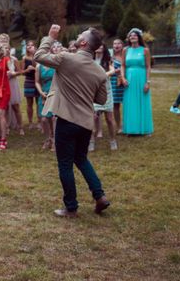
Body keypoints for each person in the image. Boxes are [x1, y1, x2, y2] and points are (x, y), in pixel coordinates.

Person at [34, 24, 110, 218]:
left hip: (67, 121)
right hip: (85, 123)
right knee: (81, 159)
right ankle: (99, 196)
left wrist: (50, 36)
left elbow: (39, 56)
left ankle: (71, 207)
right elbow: (101, 99)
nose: (77, 35)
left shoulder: (66, 59)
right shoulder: (100, 71)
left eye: (80, 35)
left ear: (83, 42)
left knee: (65, 164)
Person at [121, 28, 153, 135]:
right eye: (130, 36)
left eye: (134, 35)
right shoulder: (125, 50)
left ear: (139, 37)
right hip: (129, 80)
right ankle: (131, 129)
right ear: (129, 38)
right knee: (130, 103)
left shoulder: (145, 50)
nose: (132, 37)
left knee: (143, 102)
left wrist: (147, 82)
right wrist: (123, 78)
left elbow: (148, 67)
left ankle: (145, 129)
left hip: (141, 78)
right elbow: (122, 65)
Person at [90, 43, 118, 152]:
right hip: (93, 92)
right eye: (97, 45)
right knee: (92, 118)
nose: (99, 46)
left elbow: (112, 71)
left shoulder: (107, 61)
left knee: (109, 119)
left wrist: (102, 75)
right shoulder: (90, 60)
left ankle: (113, 140)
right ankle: (91, 141)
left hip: (106, 92)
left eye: (101, 45)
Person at [35, 42, 59, 151]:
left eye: (54, 47)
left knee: (54, 118)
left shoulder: (58, 63)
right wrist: (40, 92)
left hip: (56, 92)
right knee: (44, 119)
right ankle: (48, 138)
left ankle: (55, 141)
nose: (52, 49)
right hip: (44, 93)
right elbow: (37, 82)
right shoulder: (39, 66)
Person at [21, 40, 38, 130]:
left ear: (35, 47)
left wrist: (34, 67)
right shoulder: (24, 58)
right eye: (28, 45)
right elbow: (22, 72)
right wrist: (27, 70)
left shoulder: (38, 57)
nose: (30, 47)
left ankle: (39, 122)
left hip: (38, 81)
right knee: (29, 103)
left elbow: (41, 69)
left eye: (32, 45)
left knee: (39, 102)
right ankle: (31, 122)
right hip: (29, 81)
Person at [111, 39, 125, 133]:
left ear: (122, 45)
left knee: (127, 104)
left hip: (125, 82)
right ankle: (118, 126)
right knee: (116, 105)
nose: (116, 45)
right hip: (114, 83)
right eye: (114, 43)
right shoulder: (110, 57)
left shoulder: (126, 56)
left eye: (119, 43)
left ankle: (128, 124)